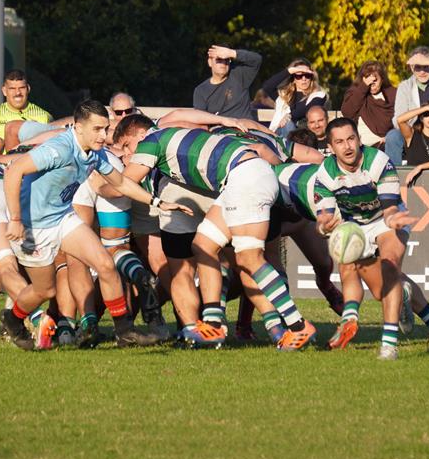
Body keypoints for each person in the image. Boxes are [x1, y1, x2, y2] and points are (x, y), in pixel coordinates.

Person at [115, 115, 319, 350]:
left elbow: (124, 182)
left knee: (248, 259)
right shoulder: (179, 133)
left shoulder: (151, 140)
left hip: (247, 179)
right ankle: (213, 325)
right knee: (203, 244)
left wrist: (100, 175)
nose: (128, 155)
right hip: (238, 180)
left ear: (140, 135)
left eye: (127, 146)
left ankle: (298, 325)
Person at [1, 100, 188, 349]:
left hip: (62, 217)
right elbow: (13, 172)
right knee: (44, 291)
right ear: (78, 127)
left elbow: (120, 183)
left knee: (105, 264)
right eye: (98, 129)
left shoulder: (94, 152)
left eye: (106, 129)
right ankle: (12, 320)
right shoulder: (59, 149)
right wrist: (15, 219)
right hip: (34, 225)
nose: (104, 136)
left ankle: (124, 330)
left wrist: (158, 202)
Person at [313, 118, 429, 360]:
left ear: (359, 139)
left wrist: (393, 220)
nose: (347, 146)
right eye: (339, 142)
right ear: (330, 147)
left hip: (385, 219)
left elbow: (389, 207)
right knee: (357, 273)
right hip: (355, 226)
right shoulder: (326, 172)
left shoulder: (378, 161)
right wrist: (323, 226)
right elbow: (323, 218)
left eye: (351, 139)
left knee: (389, 268)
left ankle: (388, 345)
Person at [0, 70, 52, 145]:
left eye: (22, 88)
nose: (17, 93)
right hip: (1, 159)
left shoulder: (45, 117)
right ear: (4, 91)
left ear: (28, 89)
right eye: (12, 88)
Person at [192, 44, 263, 119]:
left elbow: (257, 60)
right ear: (210, 62)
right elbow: (201, 119)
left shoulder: (239, 76)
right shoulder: (201, 91)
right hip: (220, 129)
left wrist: (232, 53)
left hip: (245, 127)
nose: (223, 63)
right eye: (219, 59)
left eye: (226, 60)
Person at [263, 58, 329, 133]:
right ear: (293, 78)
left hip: (303, 137)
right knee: (288, 125)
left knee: (288, 124)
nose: (304, 79)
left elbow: (301, 111)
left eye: (307, 75)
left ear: (311, 77)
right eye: (299, 76)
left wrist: (288, 116)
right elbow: (267, 86)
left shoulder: (318, 96)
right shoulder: (284, 95)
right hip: (279, 133)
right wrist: (289, 71)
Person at [340, 61, 396, 150]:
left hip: (386, 143)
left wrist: (390, 137)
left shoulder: (392, 94)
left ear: (382, 79)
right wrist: (363, 87)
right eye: (368, 80)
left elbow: (401, 118)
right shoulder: (356, 93)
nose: (372, 84)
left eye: (375, 80)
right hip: (362, 146)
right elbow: (347, 112)